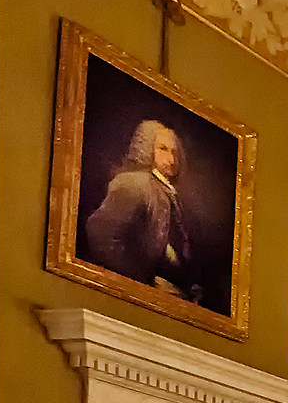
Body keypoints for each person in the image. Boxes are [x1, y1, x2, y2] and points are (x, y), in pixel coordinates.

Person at [83, 120, 201, 302]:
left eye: (174, 152)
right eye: (163, 149)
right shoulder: (134, 184)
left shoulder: (170, 193)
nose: (171, 159)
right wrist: (142, 282)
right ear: (147, 148)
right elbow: (101, 235)